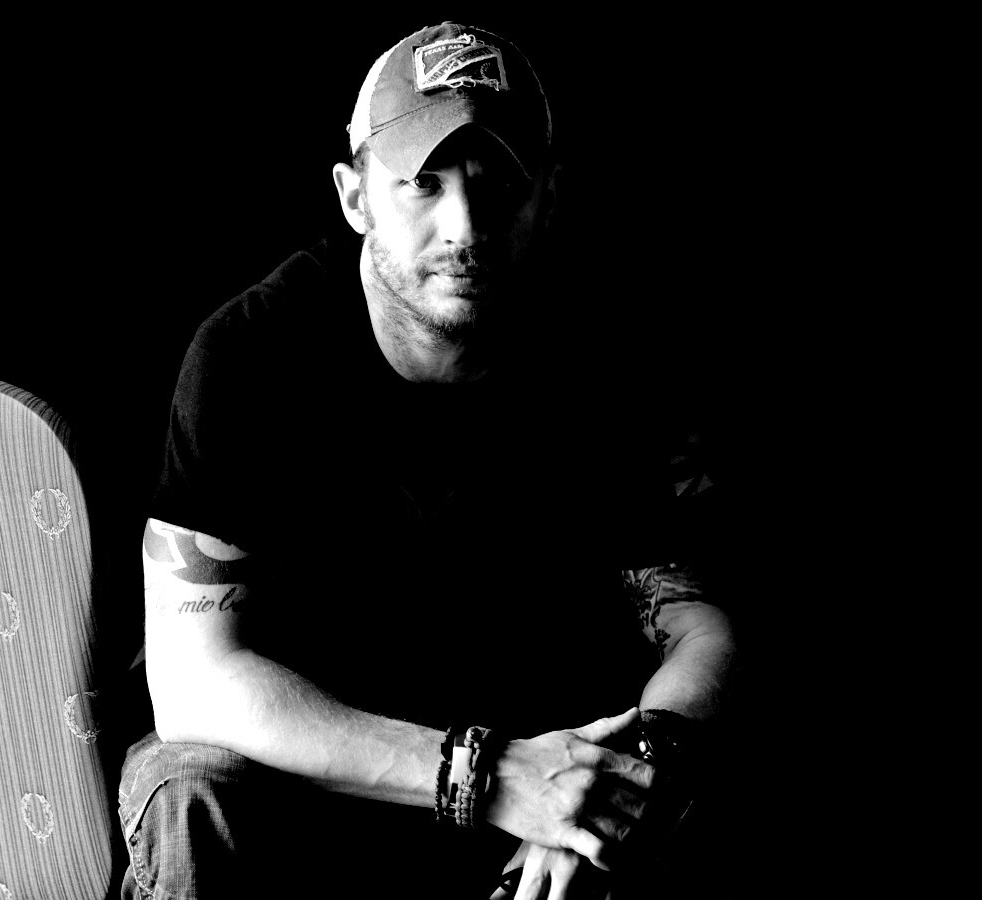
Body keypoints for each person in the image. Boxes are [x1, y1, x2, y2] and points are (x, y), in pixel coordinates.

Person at [118, 21, 737, 900]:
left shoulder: (616, 354)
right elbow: (194, 683)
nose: (465, 226)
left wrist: (611, 792)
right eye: (423, 183)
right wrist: (485, 775)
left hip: (539, 753)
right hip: (305, 761)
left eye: (498, 184)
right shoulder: (253, 355)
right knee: (191, 787)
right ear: (354, 197)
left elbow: (698, 627)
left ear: (549, 196)